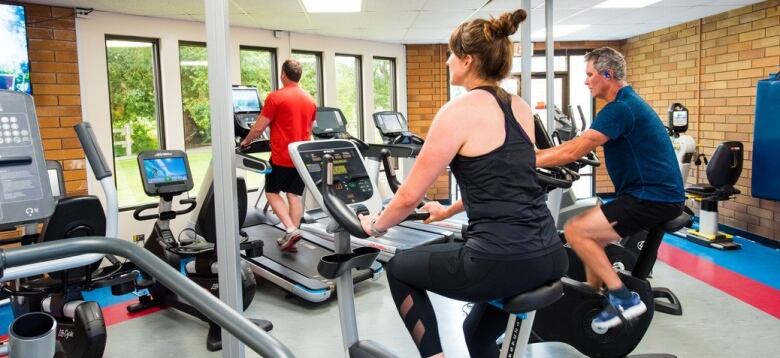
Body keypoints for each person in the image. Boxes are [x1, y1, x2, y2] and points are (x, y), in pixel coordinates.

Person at [358, 10, 568, 358]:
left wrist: (374, 226)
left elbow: (409, 195)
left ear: (468, 60)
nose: (447, 60)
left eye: (452, 53)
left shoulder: (457, 112)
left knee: (398, 268)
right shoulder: (519, 106)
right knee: (476, 336)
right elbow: (505, 181)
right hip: (549, 253)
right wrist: (449, 209)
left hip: (501, 260)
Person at [535, 47, 685, 331]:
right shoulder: (624, 105)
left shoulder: (621, 108)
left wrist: (529, 160)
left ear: (608, 74)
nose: (586, 81)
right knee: (593, 238)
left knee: (578, 231)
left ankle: (623, 299)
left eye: (590, 74)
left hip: (652, 198)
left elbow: (575, 149)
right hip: (651, 195)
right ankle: (596, 296)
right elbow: (578, 146)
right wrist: (544, 156)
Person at [240, 59, 316, 252]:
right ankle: (293, 233)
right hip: (301, 156)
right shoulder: (310, 99)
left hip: (282, 156)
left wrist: (246, 141)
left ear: (283, 74)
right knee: (294, 195)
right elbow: (310, 128)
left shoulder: (275, 97)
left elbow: (259, 127)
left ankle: (290, 229)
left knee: (272, 192)